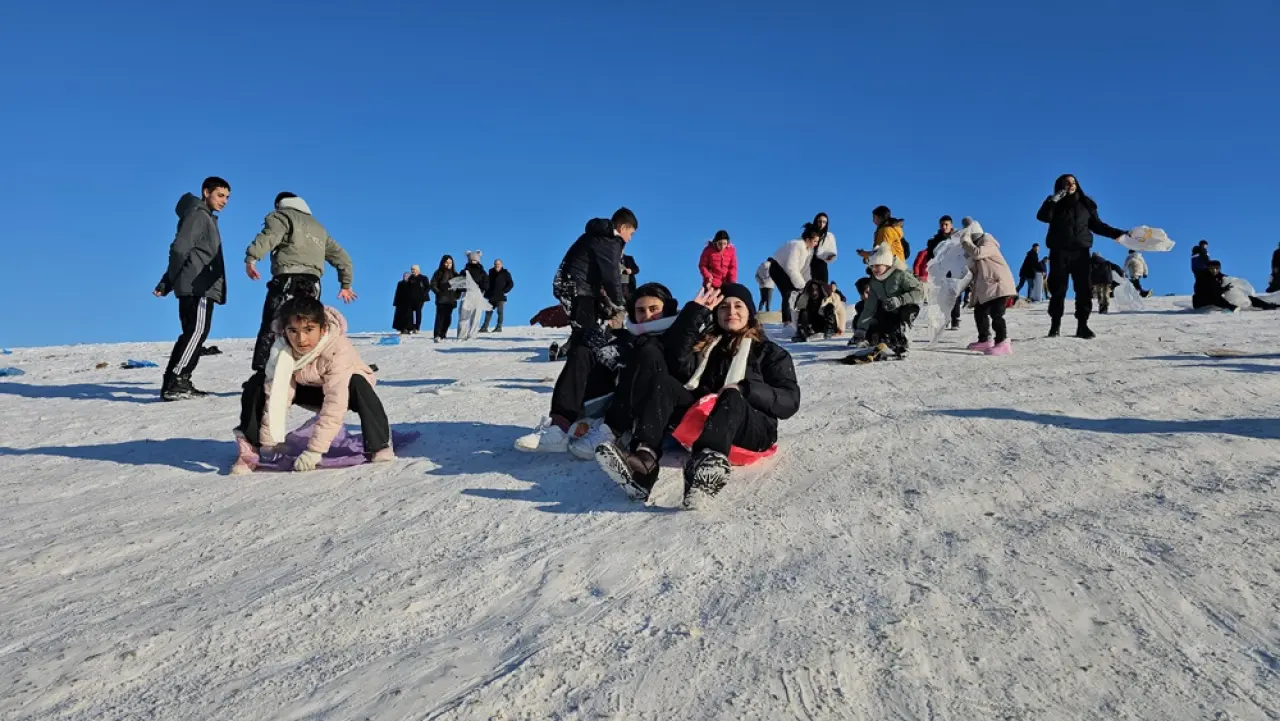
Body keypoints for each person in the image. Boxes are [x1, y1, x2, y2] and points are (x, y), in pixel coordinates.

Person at [594, 284, 800, 507]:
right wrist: (693, 312)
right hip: (706, 422)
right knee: (664, 383)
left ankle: (703, 469)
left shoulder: (770, 353)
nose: (731, 311)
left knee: (731, 396)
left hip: (752, 430)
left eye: (738, 306)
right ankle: (643, 463)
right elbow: (677, 364)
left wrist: (745, 389)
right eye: (723, 307)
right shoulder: (706, 348)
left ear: (749, 312)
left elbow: (789, 400)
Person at [231, 296, 393, 475]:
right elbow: (277, 394)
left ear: (322, 329)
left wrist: (315, 451)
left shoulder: (337, 348)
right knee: (257, 383)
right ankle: (250, 448)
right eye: (293, 331)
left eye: (309, 329)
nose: (301, 338)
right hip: (307, 389)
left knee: (358, 382)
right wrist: (269, 442)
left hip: (343, 391)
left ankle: (379, 444)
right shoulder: (281, 350)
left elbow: (335, 402)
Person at [521, 209, 638, 449]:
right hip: (579, 291)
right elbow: (610, 275)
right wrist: (621, 302)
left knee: (587, 340)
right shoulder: (610, 240)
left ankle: (581, 414)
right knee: (586, 342)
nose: (630, 239)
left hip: (576, 289)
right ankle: (563, 423)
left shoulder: (596, 237)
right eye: (632, 233)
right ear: (624, 227)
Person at [515, 283, 679, 455]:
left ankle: (611, 433)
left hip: (649, 404)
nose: (647, 316)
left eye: (654, 309)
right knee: (582, 352)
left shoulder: (677, 334)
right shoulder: (628, 335)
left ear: (667, 309)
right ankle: (560, 427)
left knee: (640, 357)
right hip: (612, 396)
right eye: (641, 310)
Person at [244, 192, 356, 371]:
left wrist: (252, 258)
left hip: (288, 278)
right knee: (307, 325)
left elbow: (270, 236)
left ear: (280, 204)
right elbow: (343, 258)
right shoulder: (319, 228)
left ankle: (264, 370)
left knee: (275, 323)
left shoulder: (282, 216)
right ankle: (305, 368)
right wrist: (346, 284)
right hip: (313, 283)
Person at [154, 176, 230, 401]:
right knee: (197, 332)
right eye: (220, 195)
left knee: (192, 332)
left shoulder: (203, 217)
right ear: (206, 192)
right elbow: (179, 249)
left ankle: (178, 380)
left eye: (227, 197)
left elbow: (184, 252)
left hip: (194, 283)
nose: (224, 201)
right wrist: (168, 281)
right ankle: (176, 380)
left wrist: (167, 282)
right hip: (199, 285)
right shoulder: (199, 216)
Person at [1036, 173, 1128, 339]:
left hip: (1081, 252)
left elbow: (1098, 226)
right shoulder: (1054, 204)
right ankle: (1055, 325)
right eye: (1066, 183)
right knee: (1058, 289)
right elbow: (1042, 217)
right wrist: (1052, 200)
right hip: (1059, 251)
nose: (1070, 185)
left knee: (1084, 290)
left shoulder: (1086, 204)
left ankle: (1082, 326)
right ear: (1060, 185)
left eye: (1073, 182)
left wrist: (1119, 234)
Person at [850, 243, 925, 358]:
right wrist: (861, 329)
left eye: (877, 265)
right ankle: (885, 342)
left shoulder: (900, 274)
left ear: (886, 264)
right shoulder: (874, 282)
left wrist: (899, 300)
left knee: (903, 318)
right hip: (890, 309)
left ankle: (902, 342)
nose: (874, 269)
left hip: (908, 306)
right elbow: (870, 307)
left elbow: (919, 291)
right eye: (872, 266)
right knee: (880, 319)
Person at [958, 220, 1017, 356]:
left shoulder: (988, 241)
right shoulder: (977, 246)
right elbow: (974, 266)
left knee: (997, 314)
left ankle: (1002, 342)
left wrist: (965, 240)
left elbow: (978, 253)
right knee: (980, 311)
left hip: (998, 285)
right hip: (986, 287)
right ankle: (984, 339)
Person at [768, 227, 821, 324]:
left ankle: (797, 320)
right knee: (788, 293)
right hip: (777, 268)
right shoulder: (797, 245)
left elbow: (804, 270)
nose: (816, 244)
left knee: (795, 293)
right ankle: (787, 322)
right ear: (808, 239)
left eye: (817, 241)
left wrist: (807, 284)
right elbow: (791, 266)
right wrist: (801, 284)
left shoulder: (808, 250)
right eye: (815, 241)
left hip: (786, 271)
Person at [1193, 260, 1280, 311]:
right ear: (1207, 269)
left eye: (1216, 268)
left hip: (1216, 297)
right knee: (1216, 297)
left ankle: (1266, 305)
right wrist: (1222, 290)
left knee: (1246, 296)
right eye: (1211, 269)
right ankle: (1231, 307)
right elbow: (1208, 292)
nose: (1214, 270)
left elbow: (1224, 281)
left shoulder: (1220, 276)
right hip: (1201, 301)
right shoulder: (1203, 277)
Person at [924, 215, 963, 329]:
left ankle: (955, 319)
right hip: (941, 271)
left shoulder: (957, 238)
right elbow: (930, 256)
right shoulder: (935, 240)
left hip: (955, 270)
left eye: (946, 224)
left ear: (951, 225)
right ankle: (946, 318)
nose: (944, 226)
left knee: (955, 294)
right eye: (942, 224)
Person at [430, 255, 460, 342]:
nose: (448, 264)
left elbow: (459, 287)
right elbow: (432, 284)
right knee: (440, 317)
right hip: (441, 299)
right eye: (446, 262)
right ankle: (437, 335)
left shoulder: (455, 274)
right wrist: (438, 292)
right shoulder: (438, 272)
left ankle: (443, 333)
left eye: (450, 263)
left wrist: (457, 295)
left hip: (451, 300)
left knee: (448, 318)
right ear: (443, 263)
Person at [480, 259, 514, 333]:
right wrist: (485, 292)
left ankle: (499, 327)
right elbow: (488, 283)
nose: (497, 265)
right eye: (495, 264)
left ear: (501, 265)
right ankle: (484, 327)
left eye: (498, 264)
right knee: (488, 311)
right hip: (491, 296)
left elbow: (511, 283)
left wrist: (505, 291)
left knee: (500, 311)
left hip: (501, 296)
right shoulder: (491, 272)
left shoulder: (505, 273)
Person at [809, 213, 838, 283]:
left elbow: (833, 251)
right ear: (816, 221)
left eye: (824, 222)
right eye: (820, 221)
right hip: (807, 264)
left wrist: (831, 255)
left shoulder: (829, 236)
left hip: (821, 265)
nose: (822, 224)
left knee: (823, 289)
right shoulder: (809, 234)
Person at [408, 264, 430, 332]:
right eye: (411, 269)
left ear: (417, 270)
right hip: (411, 298)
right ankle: (411, 326)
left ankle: (417, 327)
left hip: (421, 298)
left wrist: (424, 294)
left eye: (413, 269)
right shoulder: (410, 278)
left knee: (418, 311)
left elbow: (428, 287)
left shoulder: (423, 278)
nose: (412, 271)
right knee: (409, 312)